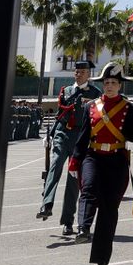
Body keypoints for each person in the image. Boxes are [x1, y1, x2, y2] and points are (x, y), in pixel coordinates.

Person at [68, 62, 133, 265]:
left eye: (113, 82)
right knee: (88, 188)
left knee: (109, 212)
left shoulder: (129, 108)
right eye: (106, 82)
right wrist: (74, 160)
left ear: (120, 86)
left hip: (116, 160)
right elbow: (83, 136)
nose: (109, 86)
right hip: (93, 155)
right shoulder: (91, 107)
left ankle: (102, 260)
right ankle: (83, 228)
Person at [40, 60, 100, 236]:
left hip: (80, 139)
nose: (78, 73)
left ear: (89, 74)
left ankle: (67, 221)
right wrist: (49, 136)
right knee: (54, 166)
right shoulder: (66, 91)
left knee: (73, 182)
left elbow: (95, 119)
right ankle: (46, 204)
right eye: (76, 71)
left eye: (82, 71)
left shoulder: (95, 93)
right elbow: (60, 115)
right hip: (62, 135)